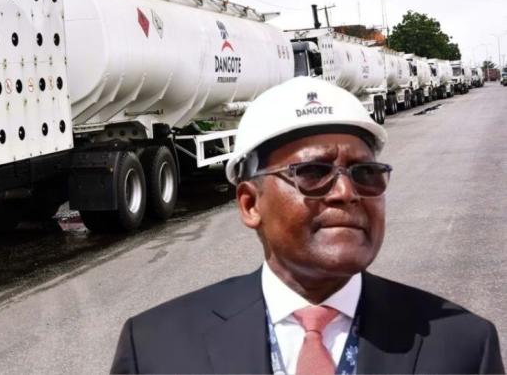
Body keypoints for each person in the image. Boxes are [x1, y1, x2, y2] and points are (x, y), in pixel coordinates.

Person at [110, 76, 503, 374]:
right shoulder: (156, 349)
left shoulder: (463, 347)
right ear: (249, 203)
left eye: (366, 172)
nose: (347, 192)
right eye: (313, 172)